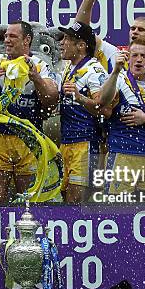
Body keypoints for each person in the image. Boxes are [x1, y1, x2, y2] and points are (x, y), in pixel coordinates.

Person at [0, 21, 58, 204]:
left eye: (13, 36)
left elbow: (52, 98)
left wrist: (36, 79)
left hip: (28, 139)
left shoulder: (39, 64)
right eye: (6, 36)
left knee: (29, 201)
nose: (7, 40)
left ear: (27, 40)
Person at [97, 43, 145, 195]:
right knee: (118, 212)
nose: (139, 60)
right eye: (134, 55)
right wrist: (115, 72)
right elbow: (102, 101)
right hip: (120, 155)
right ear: (128, 58)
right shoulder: (117, 80)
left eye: (143, 56)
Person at [57, 21, 110, 203]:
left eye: (67, 39)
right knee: (65, 198)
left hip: (85, 143)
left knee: (77, 202)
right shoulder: (68, 67)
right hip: (66, 141)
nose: (62, 43)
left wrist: (80, 98)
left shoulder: (95, 71)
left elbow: (105, 109)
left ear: (81, 45)